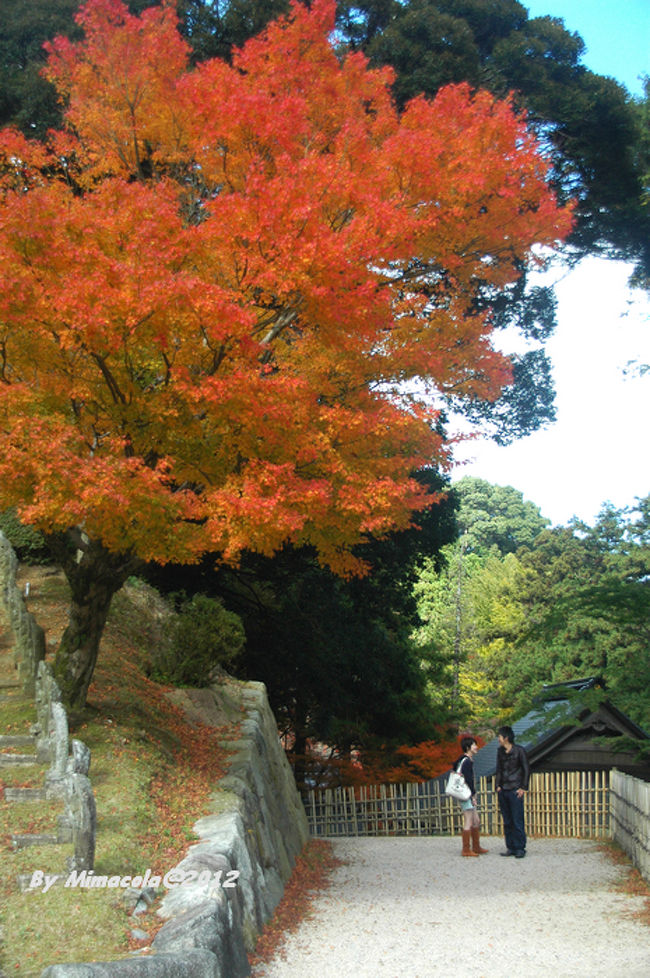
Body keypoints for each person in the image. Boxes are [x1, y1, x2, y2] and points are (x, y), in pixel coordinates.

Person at [495, 725, 530, 859]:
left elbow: (526, 769)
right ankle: (510, 846)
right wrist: (497, 785)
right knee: (507, 820)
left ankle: (520, 847)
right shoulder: (500, 751)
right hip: (503, 788)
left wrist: (523, 787)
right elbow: (499, 769)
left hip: (515, 788)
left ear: (506, 738)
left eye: (500, 736)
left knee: (517, 819)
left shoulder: (519, 751)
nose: (498, 739)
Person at [453, 735, 489, 857]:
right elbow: (468, 779)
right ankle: (466, 849)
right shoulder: (467, 761)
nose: (476, 747)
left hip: (466, 793)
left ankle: (476, 846)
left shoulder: (462, 760)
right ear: (468, 747)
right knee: (469, 820)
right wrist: (473, 794)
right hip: (466, 794)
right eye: (474, 745)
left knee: (476, 820)